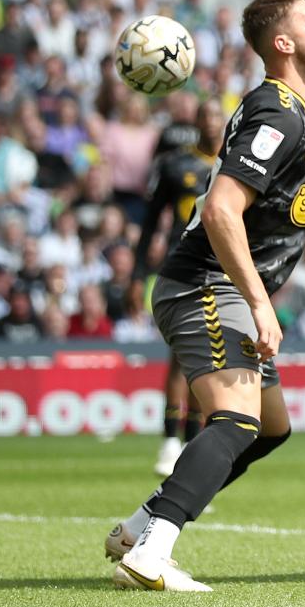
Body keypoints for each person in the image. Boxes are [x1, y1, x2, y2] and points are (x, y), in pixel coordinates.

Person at [105, 0, 305, 592]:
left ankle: (139, 524)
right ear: (282, 43)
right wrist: (257, 302)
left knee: (270, 427)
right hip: (206, 283)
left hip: (211, 285)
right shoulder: (277, 113)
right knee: (235, 423)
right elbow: (222, 210)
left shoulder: (295, 111)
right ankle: (152, 551)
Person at [134, 99, 226, 477]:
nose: (210, 122)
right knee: (181, 354)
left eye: (216, 116)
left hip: (222, 269)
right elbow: (152, 221)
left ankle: (190, 443)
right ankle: (171, 439)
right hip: (182, 266)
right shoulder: (176, 165)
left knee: (210, 360)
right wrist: (139, 271)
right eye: (205, 116)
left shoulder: (239, 166)